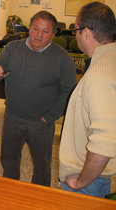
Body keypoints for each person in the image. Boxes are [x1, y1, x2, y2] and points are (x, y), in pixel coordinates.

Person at [0, 11, 76, 186]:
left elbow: (68, 91)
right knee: (9, 160)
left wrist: (49, 118)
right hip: (12, 118)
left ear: (54, 33)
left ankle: (38, 199)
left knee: (42, 167)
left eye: (45, 31)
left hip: (41, 123)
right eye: (36, 29)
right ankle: (11, 191)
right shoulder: (13, 48)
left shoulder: (62, 59)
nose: (39, 35)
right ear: (30, 28)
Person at [59, 2, 116, 198]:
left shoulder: (100, 75)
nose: (75, 35)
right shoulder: (109, 61)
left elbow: (105, 142)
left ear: (87, 33)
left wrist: (81, 181)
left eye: (75, 29)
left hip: (89, 181)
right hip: (96, 177)